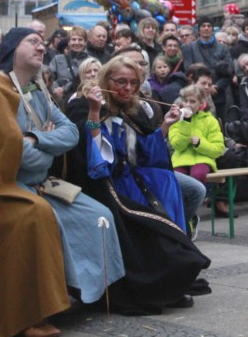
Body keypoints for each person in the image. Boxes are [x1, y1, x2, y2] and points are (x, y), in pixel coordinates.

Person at [0, 27, 125, 336]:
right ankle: (34, 312)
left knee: (98, 216)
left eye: (42, 43)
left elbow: (70, 133)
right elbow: (17, 157)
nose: (41, 48)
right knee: (38, 216)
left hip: (40, 184)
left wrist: (37, 138)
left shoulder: (38, 89)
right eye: (32, 42)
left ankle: (87, 293)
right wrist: (46, 149)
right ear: (13, 49)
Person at [73, 55, 211, 313]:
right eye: (121, 82)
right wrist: (94, 111)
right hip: (106, 184)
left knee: (167, 181)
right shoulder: (86, 105)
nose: (127, 88)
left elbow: (145, 154)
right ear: (106, 80)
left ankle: (175, 265)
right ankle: (162, 274)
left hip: (132, 177)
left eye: (133, 83)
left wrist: (165, 126)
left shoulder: (132, 109)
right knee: (150, 217)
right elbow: (95, 160)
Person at [168, 84, 225, 185]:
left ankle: (201, 194)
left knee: (197, 174)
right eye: (185, 101)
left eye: (192, 101)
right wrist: (186, 122)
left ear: (201, 103)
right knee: (177, 178)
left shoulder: (211, 121)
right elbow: (177, 146)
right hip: (180, 160)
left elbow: (218, 149)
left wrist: (200, 144)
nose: (188, 105)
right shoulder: (176, 120)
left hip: (203, 160)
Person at [48, 26, 91, 101]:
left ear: (85, 42)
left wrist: (64, 89)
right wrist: (56, 89)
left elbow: (90, 82)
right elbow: (49, 78)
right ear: (69, 42)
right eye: (74, 39)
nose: (77, 42)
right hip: (61, 100)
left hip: (82, 100)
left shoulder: (91, 61)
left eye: (80, 40)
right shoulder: (57, 59)